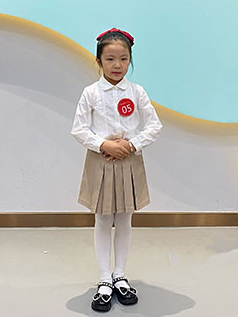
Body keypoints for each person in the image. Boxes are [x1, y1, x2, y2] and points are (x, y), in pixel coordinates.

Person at [70, 28, 163, 312]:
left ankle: (119, 275)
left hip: (129, 161)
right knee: (102, 220)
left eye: (123, 59)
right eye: (110, 59)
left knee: (124, 219)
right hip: (100, 162)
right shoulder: (90, 93)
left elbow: (154, 126)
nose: (117, 65)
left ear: (130, 60)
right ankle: (104, 280)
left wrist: (131, 145)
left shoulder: (137, 92)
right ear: (99, 61)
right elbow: (79, 129)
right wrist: (104, 145)